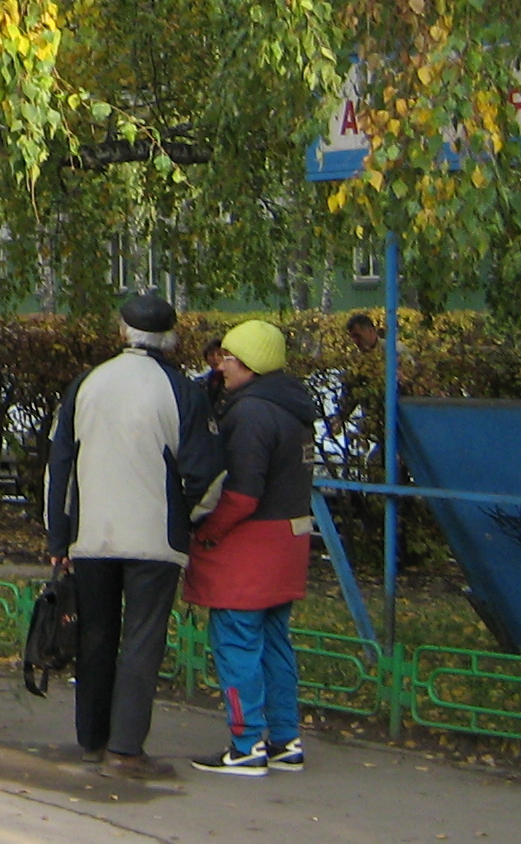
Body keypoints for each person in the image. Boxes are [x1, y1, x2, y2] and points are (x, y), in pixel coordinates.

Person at [45, 292, 221, 779]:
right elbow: (206, 475)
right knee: (143, 640)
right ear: (171, 338)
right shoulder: (182, 391)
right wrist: (187, 522)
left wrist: (58, 541)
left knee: (96, 634)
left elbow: (59, 469)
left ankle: (91, 739)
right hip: (155, 539)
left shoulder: (87, 384)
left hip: (91, 536)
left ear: (122, 332)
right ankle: (125, 749)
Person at [187, 320, 320, 776]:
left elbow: (242, 494)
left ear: (248, 365)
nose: (220, 367)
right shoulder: (294, 406)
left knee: (237, 641)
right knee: (275, 643)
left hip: (248, 547)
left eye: (227, 358)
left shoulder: (249, 414)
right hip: (289, 540)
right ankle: (286, 740)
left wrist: (208, 532)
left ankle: (246, 746)